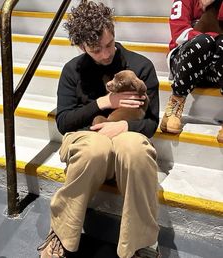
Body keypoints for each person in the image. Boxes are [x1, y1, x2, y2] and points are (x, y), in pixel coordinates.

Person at [37, 1, 160, 258]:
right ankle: (61, 233)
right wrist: (104, 103)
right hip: (87, 140)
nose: (106, 54)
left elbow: (151, 122)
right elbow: (64, 121)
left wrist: (124, 125)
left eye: (109, 44)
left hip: (127, 138)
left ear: (113, 32)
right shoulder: (72, 71)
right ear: (82, 46)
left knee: (136, 151)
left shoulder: (141, 66)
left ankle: (141, 244)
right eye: (96, 49)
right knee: (95, 147)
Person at [160, 0, 223, 143]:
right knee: (203, 41)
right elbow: (180, 34)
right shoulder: (183, 1)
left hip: (215, 69)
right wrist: (214, 38)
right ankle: (176, 103)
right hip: (186, 64)